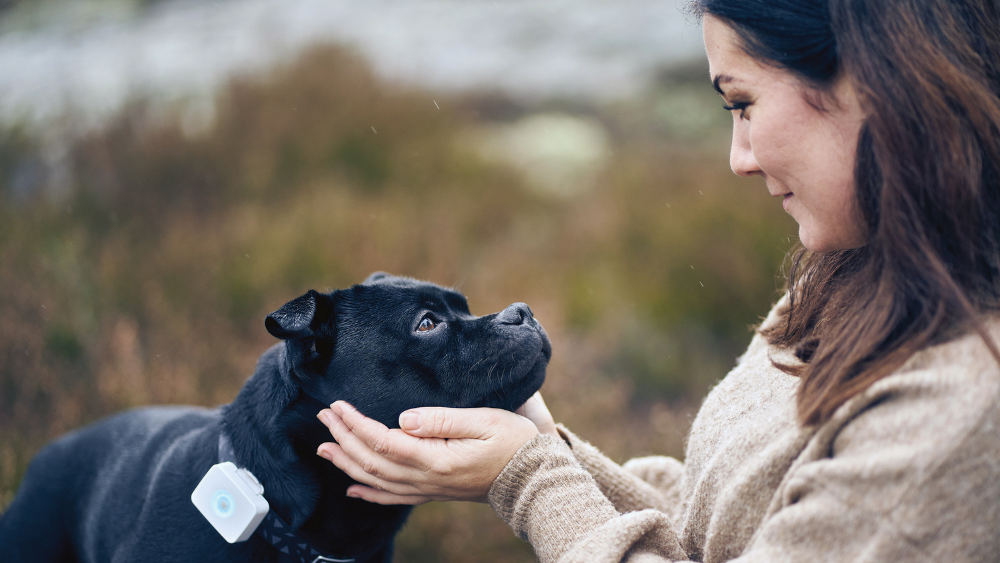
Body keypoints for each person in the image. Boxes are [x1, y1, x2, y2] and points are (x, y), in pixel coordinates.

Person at [315, 0, 1000, 560]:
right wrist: (546, 451)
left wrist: (527, 476)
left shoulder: (963, 417)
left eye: (742, 103)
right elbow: (716, 535)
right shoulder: (865, 264)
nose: (739, 158)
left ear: (876, 79)